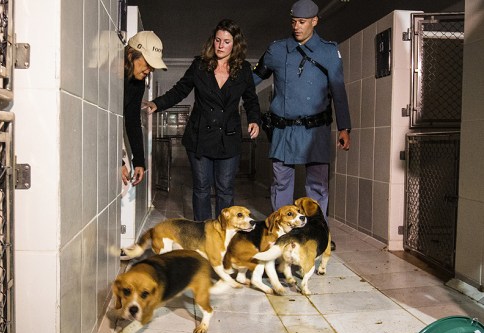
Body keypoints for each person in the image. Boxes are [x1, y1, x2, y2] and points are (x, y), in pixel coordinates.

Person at [146, 19, 261, 221]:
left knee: (225, 189)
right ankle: (203, 233)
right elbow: (180, 90)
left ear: (235, 44)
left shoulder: (243, 70)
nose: (221, 46)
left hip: (228, 137)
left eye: (226, 41)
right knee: (201, 187)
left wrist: (254, 120)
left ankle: (224, 234)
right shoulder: (200, 65)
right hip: (200, 136)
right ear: (213, 41)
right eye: (218, 40)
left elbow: (251, 99)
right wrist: (157, 104)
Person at [252, 0, 351, 220]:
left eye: (302, 22)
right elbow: (252, 80)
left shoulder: (328, 51)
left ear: (314, 21)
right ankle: (281, 232)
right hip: (283, 128)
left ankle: (317, 233)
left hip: (316, 129)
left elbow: (338, 92)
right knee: (281, 184)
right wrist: (226, 86)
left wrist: (345, 127)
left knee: (317, 185)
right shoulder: (277, 50)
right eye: (294, 21)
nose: (297, 26)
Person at [122, 31, 168, 186]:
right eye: (147, 63)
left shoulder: (138, 82)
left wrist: (139, 161)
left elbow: (133, 120)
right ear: (130, 55)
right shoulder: (110, 74)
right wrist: (118, 162)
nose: (149, 70)